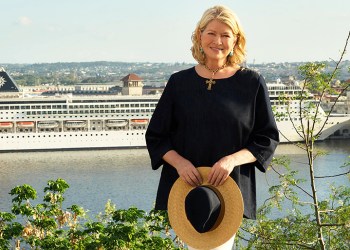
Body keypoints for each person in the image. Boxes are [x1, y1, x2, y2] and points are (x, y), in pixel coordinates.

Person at [146, 5, 279, 249]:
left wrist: (231, 161)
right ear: (199, 35)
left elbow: (266, 138)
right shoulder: (179, 82)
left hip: (228, 191)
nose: (218, 41)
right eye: (211, 33)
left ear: (236, 40)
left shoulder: (251, 82)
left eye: (226, 35)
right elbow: (156, 137)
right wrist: (181, 164)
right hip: (187, 189)